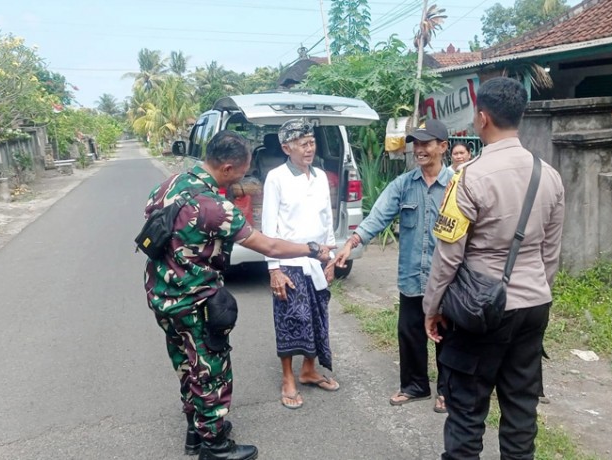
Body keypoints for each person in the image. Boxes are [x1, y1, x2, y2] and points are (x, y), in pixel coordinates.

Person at [143, 130, 334, 460]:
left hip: (161, 297)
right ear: (228, 167)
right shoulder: (215, 208)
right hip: (195, 302)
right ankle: (215, 447)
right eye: (243, 171)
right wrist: (313, 249)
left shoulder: (167, 186)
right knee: (210, 370)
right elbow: (269, 245)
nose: (244, 177)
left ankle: (195, 432)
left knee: (186, 366)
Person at [422, 77, 566, 460]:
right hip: (534, 305)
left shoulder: (468, 177)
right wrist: (533, 289)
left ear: (482, 118)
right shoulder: (549, 175)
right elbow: (550, 253)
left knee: (467, 409)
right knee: (521, 408)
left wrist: (432, 307)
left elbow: (449, 255)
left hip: (479, 311)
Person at [334, 118, 453, 413]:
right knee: (410, 332)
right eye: (417, 144)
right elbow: (378, 216)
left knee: (449, 337)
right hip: (412, 276)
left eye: (427, 143)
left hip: (447, 279)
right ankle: (415, 386)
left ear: (443, 147)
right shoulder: (403, 184)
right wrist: (351, 243)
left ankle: (449, 392)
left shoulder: (457, 185)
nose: (420, 149)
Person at [262, 119, 340, 410]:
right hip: (289, 261)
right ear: (286, 147)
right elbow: (269, 226)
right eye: (303, 144)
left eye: (312, 142)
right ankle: (288, 378)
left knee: (318, 316)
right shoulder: (277, 178)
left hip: (316, 260)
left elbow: (326, 219)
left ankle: (308, 370)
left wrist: (330, 259)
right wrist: (274, 269)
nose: (310, 148)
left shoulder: (319, 176)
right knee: (290, 320)